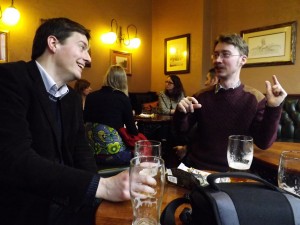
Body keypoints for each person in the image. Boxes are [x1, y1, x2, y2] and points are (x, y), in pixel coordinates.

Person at [0, 18, 155, 225]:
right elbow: (16, 160)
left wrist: (97, 199)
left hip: (68, 200)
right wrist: (104, 186)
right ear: (53, 43)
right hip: (24, 206)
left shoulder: (72, 98)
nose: (88, 58)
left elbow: (82, 152)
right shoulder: (11, 78)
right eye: (82, 47)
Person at [174, 33, 287, 172]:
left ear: (243, 59)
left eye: (225, 54)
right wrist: (180, 113)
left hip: (236, 172)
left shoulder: (255, 99)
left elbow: (264, 143)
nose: (217, 60)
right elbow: (180, 132)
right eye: (215, 55)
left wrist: (274, 107)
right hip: (198, 170)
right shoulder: (201, 96)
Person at [84, 65, 139, 166]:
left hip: (91, 155)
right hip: (115, 156)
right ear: (123, 81)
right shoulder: (122, 98)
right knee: (142, 151)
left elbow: (86, 122)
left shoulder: (91, 97)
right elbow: (132, 131)